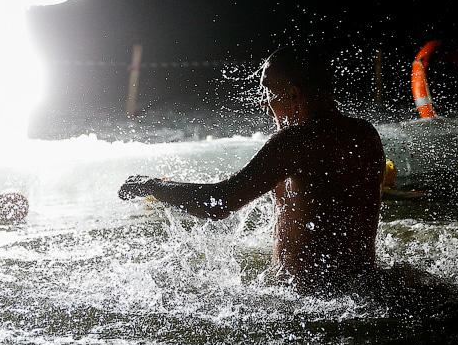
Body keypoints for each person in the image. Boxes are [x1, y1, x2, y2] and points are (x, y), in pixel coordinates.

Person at [119, 46, 386, 292]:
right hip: (360, 286)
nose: (265, 105)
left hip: (307, 296)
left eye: (270, 92)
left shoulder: (294, 142)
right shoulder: (365, 134)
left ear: (294, 94)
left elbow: (219, 202)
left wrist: (153, 185)